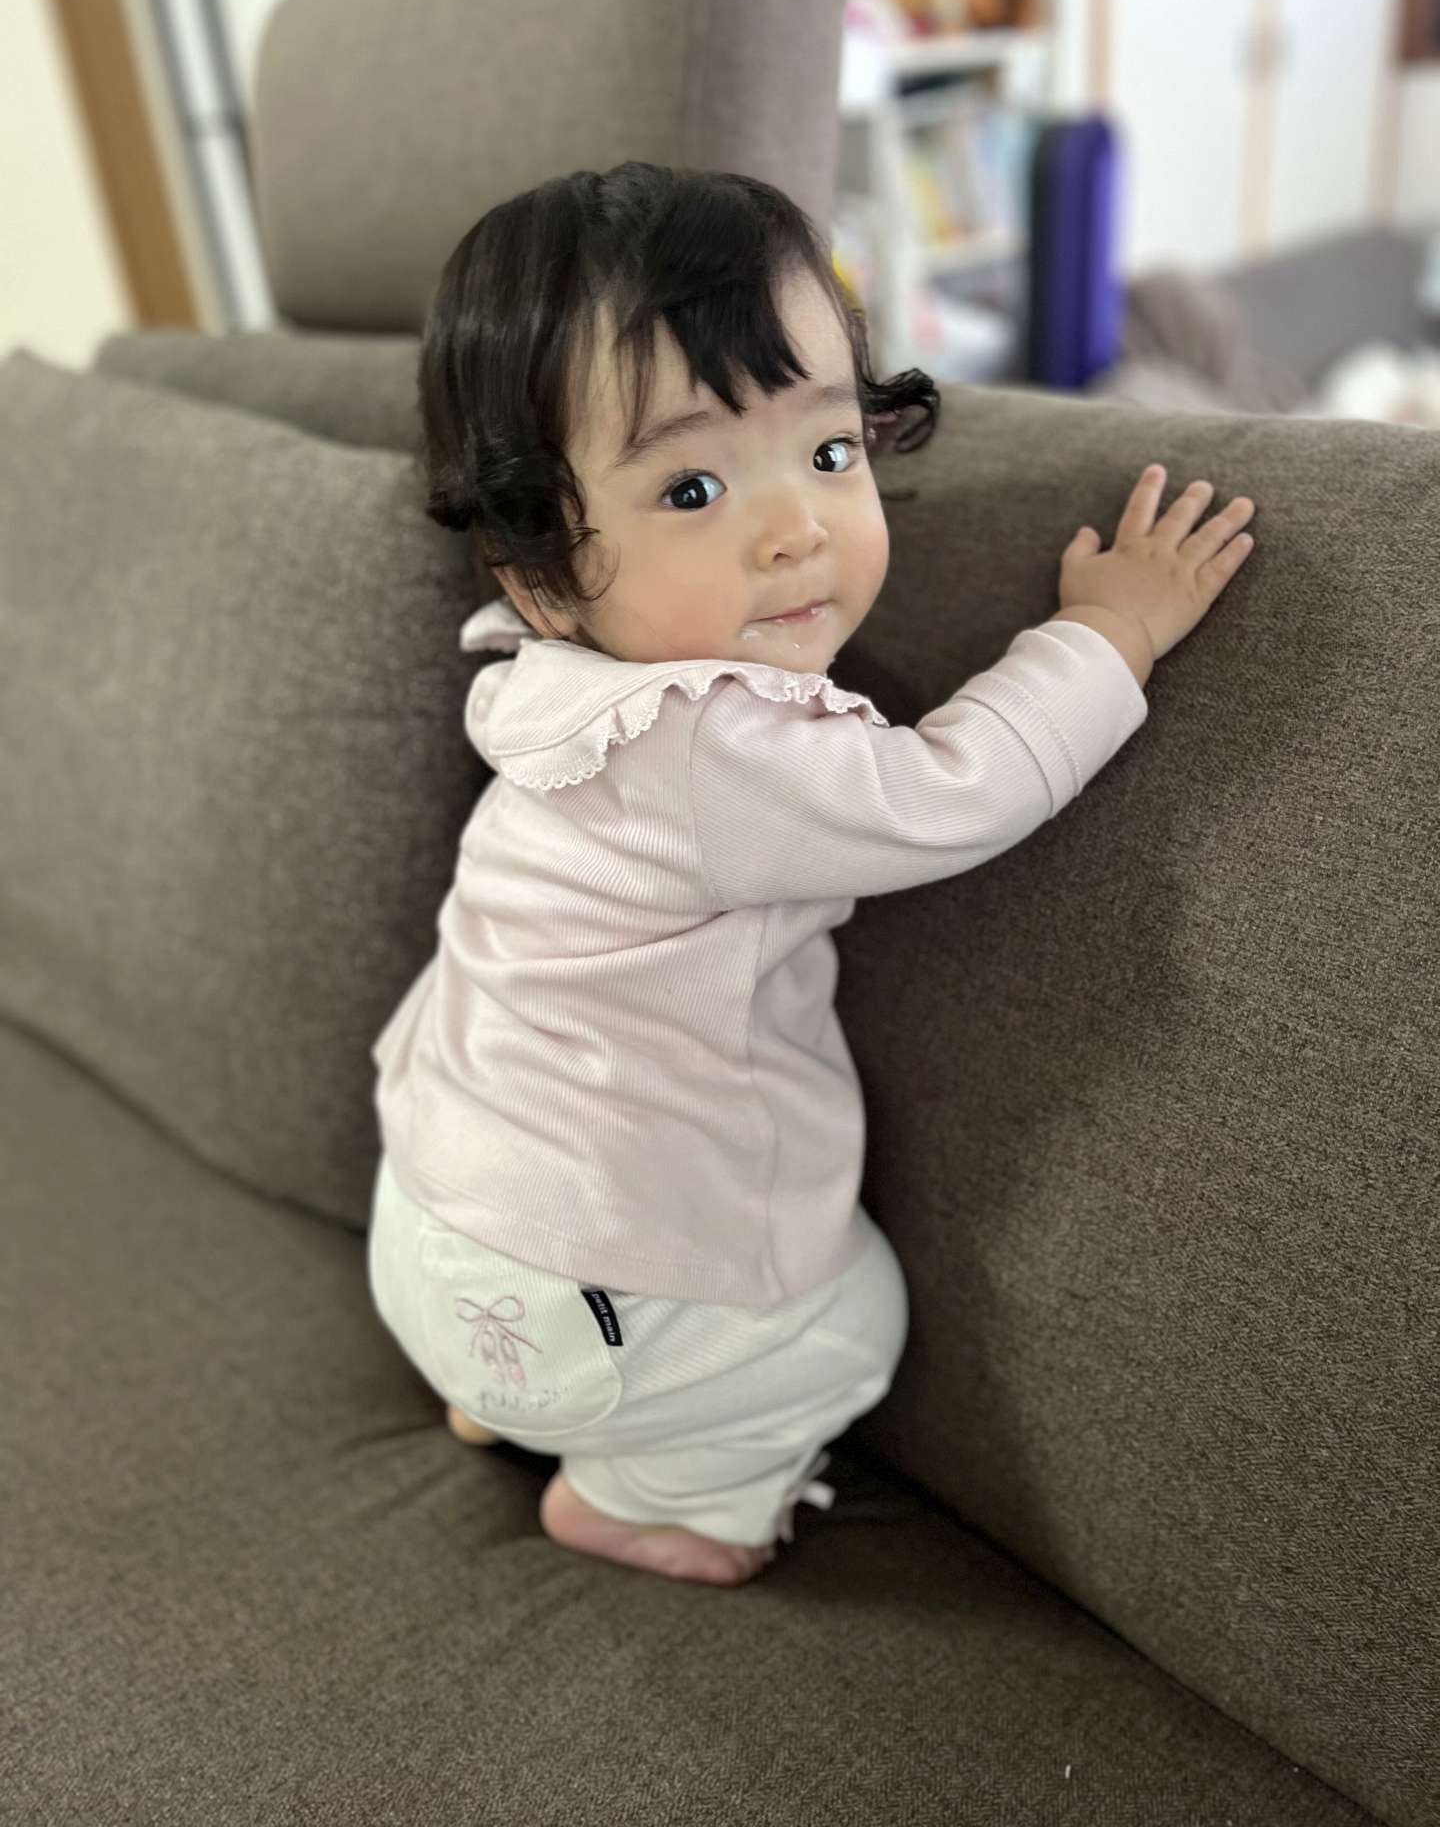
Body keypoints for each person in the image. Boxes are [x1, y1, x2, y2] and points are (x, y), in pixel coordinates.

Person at [366, 161, 1259, 1589]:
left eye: (832, 450)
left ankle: (517, 1397)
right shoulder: (704, 743)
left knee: (561, 1332)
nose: (797, 528)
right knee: (853, 1321)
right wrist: (1113, 635)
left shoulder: (541, 684)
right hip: (580, 1292)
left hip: (433, 1226)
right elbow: (948, 795)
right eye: (695, 486)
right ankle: (647, 1499)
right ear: (540, 571)